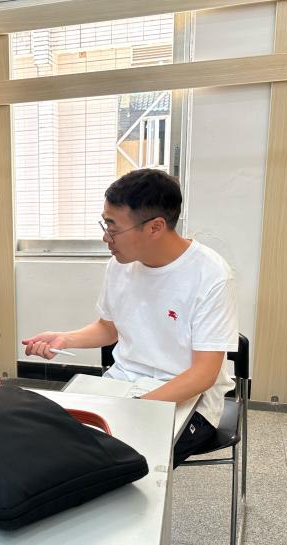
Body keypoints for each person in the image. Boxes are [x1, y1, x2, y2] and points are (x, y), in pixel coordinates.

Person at [22, 169, 237, 466]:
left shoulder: (210, 274)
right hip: (122, 385)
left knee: (120, 463)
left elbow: (203, 375)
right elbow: (108, 328)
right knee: (56, 442)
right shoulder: (120, 264)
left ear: (155, 227)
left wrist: (137, 408)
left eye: (113, 227)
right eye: (105, 223)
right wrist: (63, 339)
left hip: (189, 399)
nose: (105, 237)